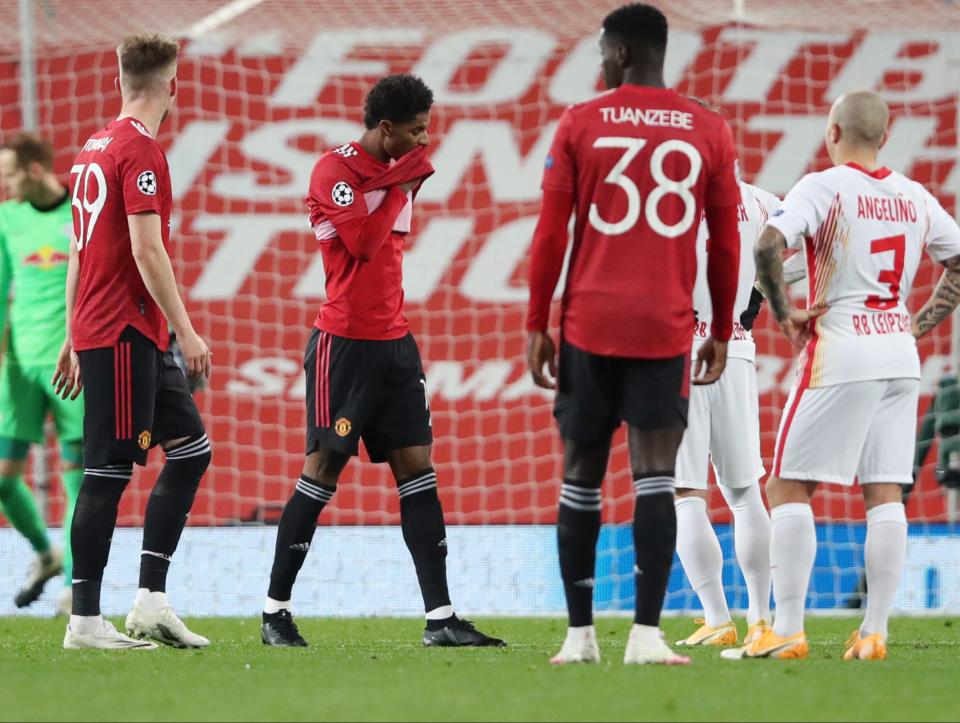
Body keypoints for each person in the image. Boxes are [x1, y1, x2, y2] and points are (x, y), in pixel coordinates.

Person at [526, 2, 742, 665]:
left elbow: (550, 233)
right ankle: (647, 637)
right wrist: (724, 328)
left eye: (600, 53)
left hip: (590, 319)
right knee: (656, 476)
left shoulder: (580, 122)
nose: (599, 63)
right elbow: (725, 242)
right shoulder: (708, 127)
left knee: (581, 474)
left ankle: (579, 635)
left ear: (619, 54)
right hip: (665, 324)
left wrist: (538, 321)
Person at [260, 73, 504, 649]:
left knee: (418, 468)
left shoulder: (400, 167)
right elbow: (364, 243)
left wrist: (402, 175)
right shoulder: (333, 171)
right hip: (342, 345)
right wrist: (404, 180)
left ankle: (441, 618)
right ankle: (275, 612)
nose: (425, 142)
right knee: (322, 471)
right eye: (416, 132)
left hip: (396, 343)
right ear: (386, 128)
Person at [740, 90, 960, 661]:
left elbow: (768, 244)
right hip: (898, 357)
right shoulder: (914, 196)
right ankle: (873, 634)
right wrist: (917, 324)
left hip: (842, 349)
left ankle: (787, 628)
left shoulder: (824, 185)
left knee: (787, 486)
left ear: (831, 130)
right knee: (885, 494)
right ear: (885, 138)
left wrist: (785, 314)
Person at [54, 33, 213, 650]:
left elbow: (78, 249)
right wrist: (188, 329)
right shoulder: (139, 151)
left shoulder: (92, 148)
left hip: (122, 329)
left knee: (191, 449)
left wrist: (72, 329)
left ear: (118, 80)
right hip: (124, 330)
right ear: (172, 85)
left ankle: (150, 601)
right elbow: (147, 250)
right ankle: (86, 623)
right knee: (106, 473)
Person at [674, 168, 778, 649]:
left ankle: (717, 617)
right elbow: (792, 259)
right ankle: (761, 619)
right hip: (735, 347)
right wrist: (755, 292)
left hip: (677, 352)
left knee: (686, 493)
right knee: (744, 493)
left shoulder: (667, 197)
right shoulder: (759, 200)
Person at [0, 135, 83, 615]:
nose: (5, 184)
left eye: (10, 174)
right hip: (18, 368)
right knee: (4, 478)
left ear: (33, 171)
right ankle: (45, 553)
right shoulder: (8, 219)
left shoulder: (81, 213)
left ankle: (75, 589)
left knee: (78, 482)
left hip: (73, 367)